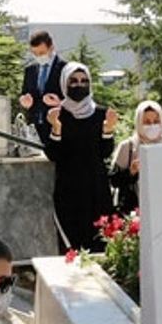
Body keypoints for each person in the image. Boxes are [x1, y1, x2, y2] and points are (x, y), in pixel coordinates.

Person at [43, 63, 116, 253]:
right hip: (69, 189)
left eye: (84, 81)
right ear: (64, 83)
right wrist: (56, 129)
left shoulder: (100, 113)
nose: (79, 85)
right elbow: (53, 154)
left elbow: (105, 152)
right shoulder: (58, 114)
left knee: (100, 240)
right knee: (71, 243)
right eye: (73, 81)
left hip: (96, 188)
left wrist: (108, 130)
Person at [108, 100, 162, 215]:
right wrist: (131, 171)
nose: (152, 126)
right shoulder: (128, 147)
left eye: (156, 121)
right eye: (147, 122)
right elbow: (114, 181)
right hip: (133, 212)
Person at [18, 31, 65, 139]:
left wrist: (59, 103)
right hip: (35, 128)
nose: (39, 57)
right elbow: (25, 93)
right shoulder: (30, 70)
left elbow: (76, 101)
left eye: (42, 53)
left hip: (59, 127)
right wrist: (24, 101)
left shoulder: (65, 69)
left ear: (51, 48)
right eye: (35, 54)